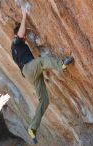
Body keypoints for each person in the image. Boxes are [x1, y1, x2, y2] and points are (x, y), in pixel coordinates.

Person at [11, 9, 74, 141]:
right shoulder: (15, 43)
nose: (25, 37)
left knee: (44, 100)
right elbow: (19, 34)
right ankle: (62, 63)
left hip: (30, 73)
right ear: (17, 35)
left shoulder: (19, 46)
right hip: (28, 69)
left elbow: (22, 36)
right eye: (23, 36)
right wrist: (23, 16)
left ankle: (32, 128)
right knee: (42, 61)